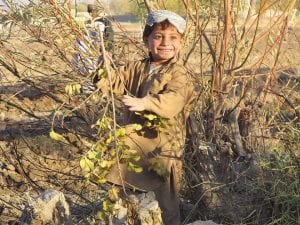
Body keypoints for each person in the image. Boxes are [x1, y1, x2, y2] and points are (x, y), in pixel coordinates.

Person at [95, 9, 195, 225]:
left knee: (164, 208)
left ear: (181, 42)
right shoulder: (137, 68)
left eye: (173, 38)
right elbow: (113, 84)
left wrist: (145, 103)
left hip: (162, 154)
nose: (165, 42)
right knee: (126, 202)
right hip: (132, 151)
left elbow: (173, 101)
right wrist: (103, 66)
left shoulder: (179, 73)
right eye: (158, 36)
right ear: (146, 40)